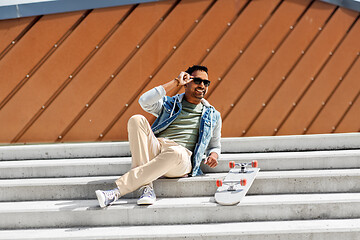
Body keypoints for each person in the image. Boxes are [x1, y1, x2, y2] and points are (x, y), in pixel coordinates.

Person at [95, 65, 222, 208]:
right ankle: (146, 188)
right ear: (186, 82)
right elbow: (144, 101)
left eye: (206, 83)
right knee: (136, 120)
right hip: (158, 148)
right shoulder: (170, 104)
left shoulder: (213, 115)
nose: (202, 85)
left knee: (175, 152)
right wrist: (175, 82)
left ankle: (117, 192)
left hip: (181, 158)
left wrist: (214, 155)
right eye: (197, 81)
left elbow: (215, 145)